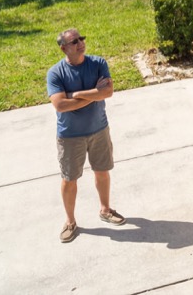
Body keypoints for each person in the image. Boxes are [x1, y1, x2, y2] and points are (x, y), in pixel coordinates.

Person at [46, 29, 126, 243]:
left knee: (102, 172)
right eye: (74, 41)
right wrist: (94, 93)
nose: (80, 43)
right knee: (69, 179)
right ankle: (71, 222)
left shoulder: (98, 63)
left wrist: (78, 94)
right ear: (64, 48)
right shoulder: (56, 73)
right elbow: (60, 105)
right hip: (70, 136)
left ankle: (105, 209)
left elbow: (107, 92)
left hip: (99, 129)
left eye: (81, 39)